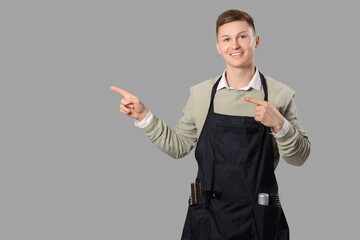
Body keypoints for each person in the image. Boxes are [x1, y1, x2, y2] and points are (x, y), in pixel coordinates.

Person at [111, 9, 310, 240]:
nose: (234, 45)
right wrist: (144, 116)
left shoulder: (280, 94)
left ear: (255, 40)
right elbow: (179, 146)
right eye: (226, 39)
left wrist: (279, 124)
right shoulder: (202, 93)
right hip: (207, 219)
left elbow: (300, 158)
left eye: (242, 36)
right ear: (218, 46)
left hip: (260, 220)